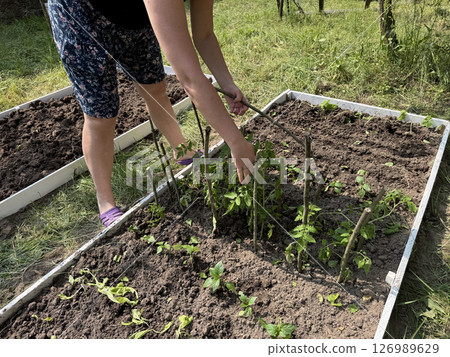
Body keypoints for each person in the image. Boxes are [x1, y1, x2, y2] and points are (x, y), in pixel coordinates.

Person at [48, 0, 255, 227]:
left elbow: (204, 35)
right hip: (82, 16)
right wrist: (236, 141)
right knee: (101, 115)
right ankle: (105, 201)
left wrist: (227, 84)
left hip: (136, 18)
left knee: (155, 87)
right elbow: (189, 77)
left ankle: (182, 151)